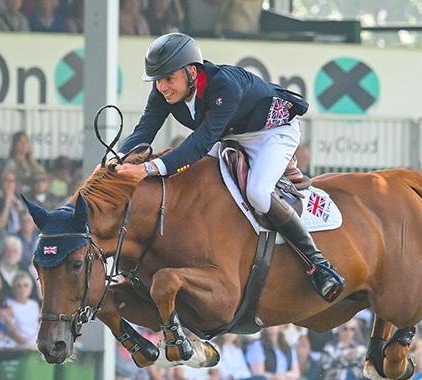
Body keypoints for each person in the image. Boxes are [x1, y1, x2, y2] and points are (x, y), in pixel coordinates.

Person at [114, 33, 344, 303]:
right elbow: (145, 129)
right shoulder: (164, 90)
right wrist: (116, 159)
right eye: (158, 80)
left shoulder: (224, 86)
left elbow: (200, 142)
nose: (162, 87)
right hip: (228, 135)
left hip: (271, 133)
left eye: (168, 79)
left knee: (258, 192)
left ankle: (318, 264)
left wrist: (148, 169)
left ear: (191, 71)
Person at [4, 271, 39, 347]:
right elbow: (11, 331)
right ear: (13, 289)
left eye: (26, 285)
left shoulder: (34, 304)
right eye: (18, 286)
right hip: (18, 345)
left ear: (30, 289)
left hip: (36, 343)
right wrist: (27, 344)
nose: (22, 289)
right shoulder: (9, 305)